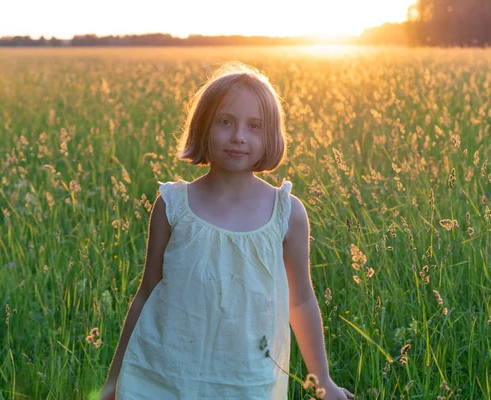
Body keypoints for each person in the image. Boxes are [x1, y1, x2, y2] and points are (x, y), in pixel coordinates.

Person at [99, 61, 354, 400]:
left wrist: (323, 382)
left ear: (271, 136)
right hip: (167, 376)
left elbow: (302, 300)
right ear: (203, 126)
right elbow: (146, 293)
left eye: (255, 126)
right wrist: (113, 381)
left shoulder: (286, 212)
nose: (238, 136)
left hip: (247, 382)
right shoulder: (172, 206)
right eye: (225, 122)